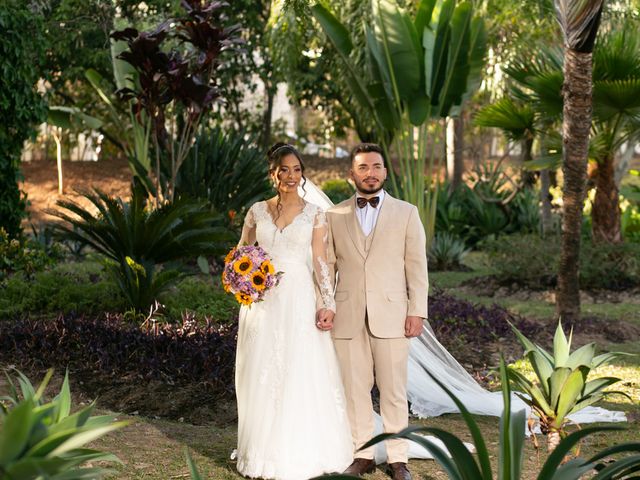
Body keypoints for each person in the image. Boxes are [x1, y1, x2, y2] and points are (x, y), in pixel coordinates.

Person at [234, 143, 352, 480]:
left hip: (299, 297)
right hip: (263, 302)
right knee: (262, 371)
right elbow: (242, 252)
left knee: (297, 369)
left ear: (302, 174)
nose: (290, 176)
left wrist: (326, 302)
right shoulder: (256, 211)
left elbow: (319, 260)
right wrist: (241, 283)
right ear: (273, 173)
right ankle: (260, 452)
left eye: (296, 170)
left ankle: (299, 451)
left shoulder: (314, 213)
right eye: (283, 170)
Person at [316, 143, 427, 480]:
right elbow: (327, 267)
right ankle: (363, 455)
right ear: (352, 174)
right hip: (348, 316)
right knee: (355, 390)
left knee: (394, 391)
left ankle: (398, 460)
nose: (370, 173)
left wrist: (417, 311)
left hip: (393, 315)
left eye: (376, 166)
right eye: (363, 167)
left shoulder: (407, 213)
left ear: (385, 172)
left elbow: (417, 266)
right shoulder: (333, 215)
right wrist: (326, 304)